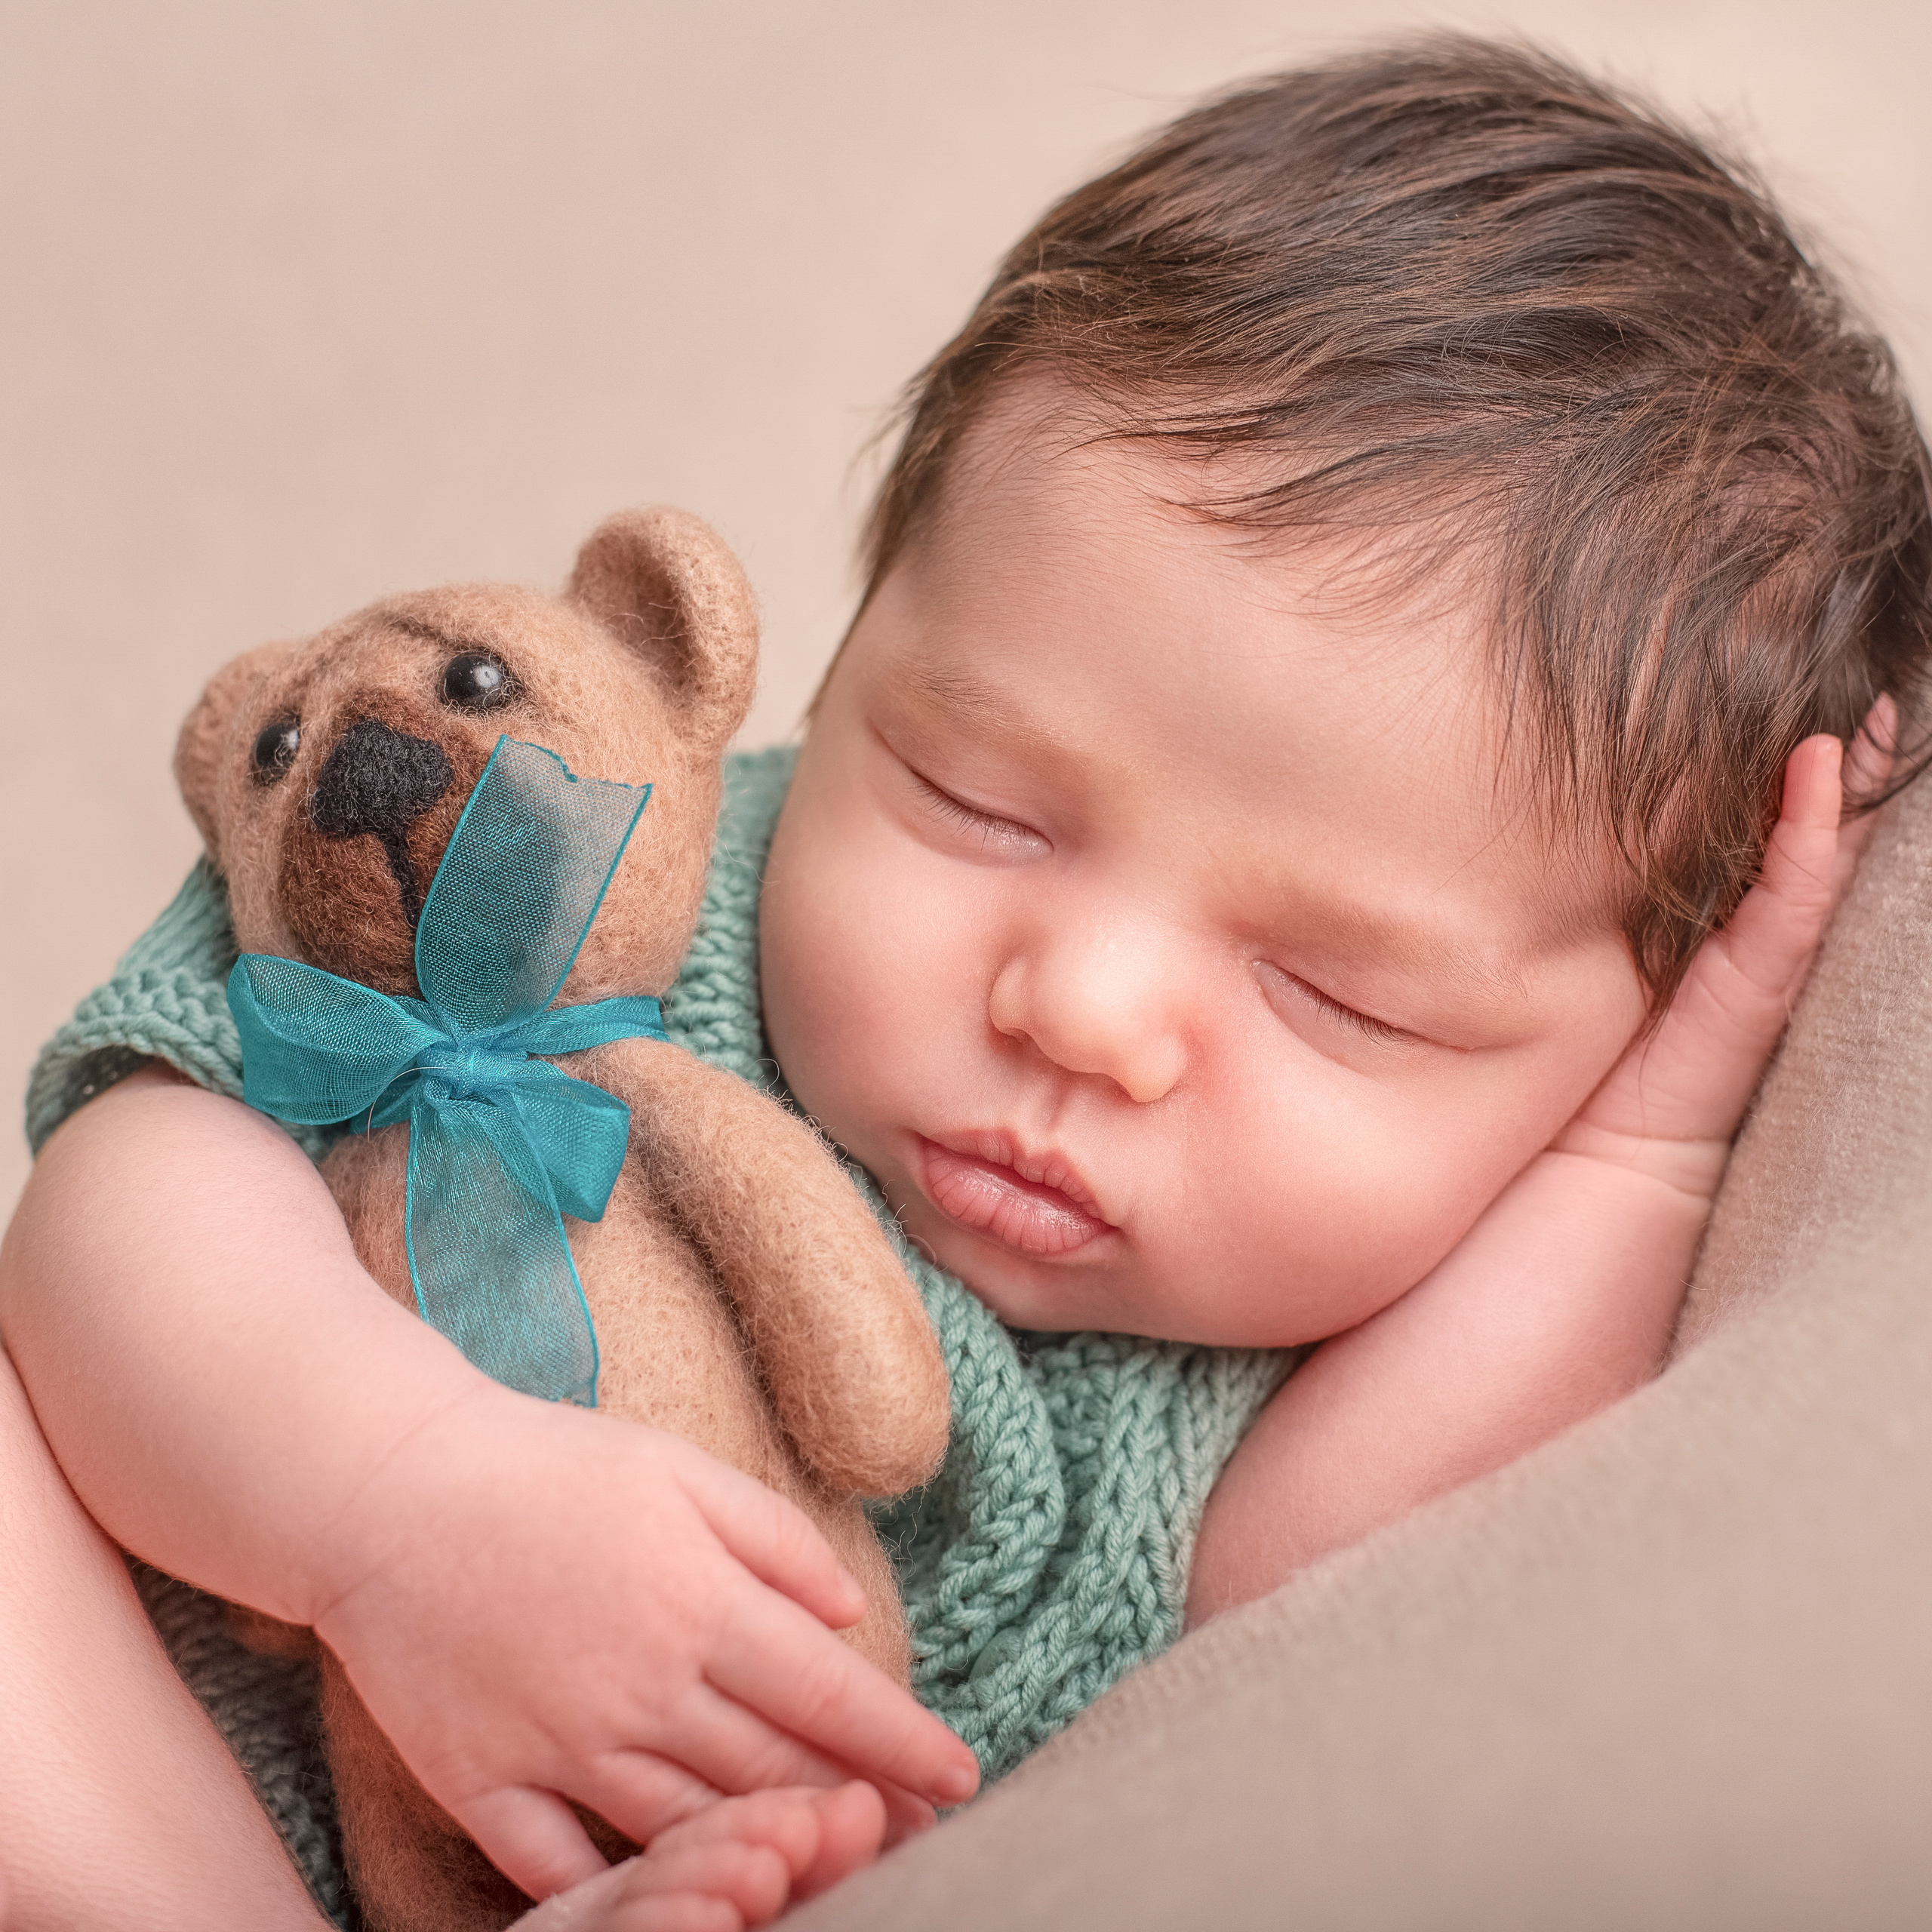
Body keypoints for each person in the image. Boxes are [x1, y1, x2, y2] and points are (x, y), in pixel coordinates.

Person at [2, 35, 1927, 1932]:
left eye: (1337, 993)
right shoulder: (597, 858)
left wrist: (1656, 1133)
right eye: (979, 802)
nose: (1077, 1006)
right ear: (840, 665)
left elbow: (1327, 1593)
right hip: (156, 1717)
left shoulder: (1269, 1370)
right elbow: (129, 1178)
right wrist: (388, 1503)